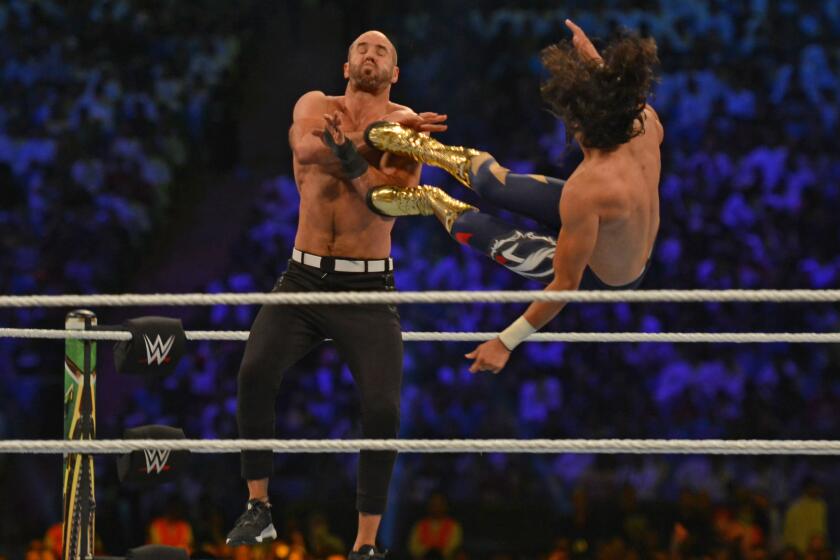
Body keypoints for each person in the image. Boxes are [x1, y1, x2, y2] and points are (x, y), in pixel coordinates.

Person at [224, 30, 446, 559]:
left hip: (367, 285)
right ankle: (259, 508)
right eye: (362, 48)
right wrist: (376, 141)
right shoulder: (314, 104)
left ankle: (366, 543)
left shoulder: (406, 117)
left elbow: (385, 201)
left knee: (383, 410)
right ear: (346, 65)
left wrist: (359, 148)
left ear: (394, 74)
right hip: (301, 278)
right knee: (254, 373)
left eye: (383, 52)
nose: (371, 54)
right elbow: (305, 147)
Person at [364, 20, 663, 373]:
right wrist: (591, 60)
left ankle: (429, 199)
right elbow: (615, 95)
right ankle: (428, 150)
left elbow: (565, 284)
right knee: (493, 184)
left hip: (602, 274)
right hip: (614, 223)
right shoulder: (644, 120)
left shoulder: (589, 188)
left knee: (481, 227)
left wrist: (505, 341)